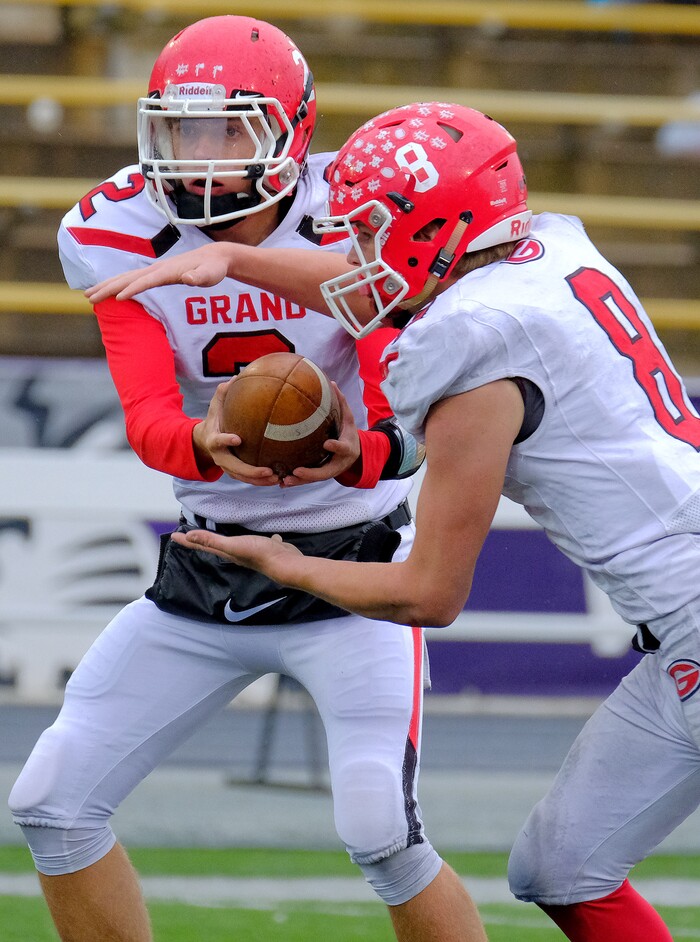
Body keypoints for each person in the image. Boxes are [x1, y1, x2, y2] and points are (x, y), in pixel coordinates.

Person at [90, 99, 700, 942]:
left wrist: (286, 561)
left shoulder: (478, 342)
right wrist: (235, 257)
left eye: (373, 232)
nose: (355, 255)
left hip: (691, 614)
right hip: (678, 632)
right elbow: (379, 285)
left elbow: (430, 592)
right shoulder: (546, 249)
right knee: (560, 870)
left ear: (436, 229)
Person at [8, 22, 487, 942]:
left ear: (292, 130)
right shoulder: (113, 228)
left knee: (380, 830)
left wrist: (365, 449)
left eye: (228, 131)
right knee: (52, 803)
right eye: (182, 131)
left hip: (354, 574)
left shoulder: (355, 207)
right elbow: (148, 414)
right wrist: (204, 438)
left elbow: (406, 403)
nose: (200, 157)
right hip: (210, 562)